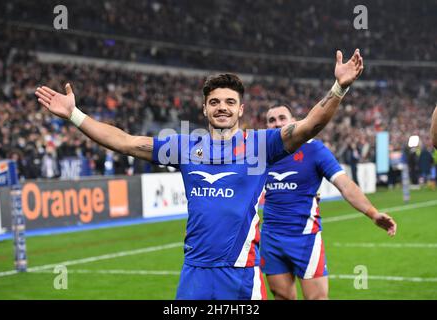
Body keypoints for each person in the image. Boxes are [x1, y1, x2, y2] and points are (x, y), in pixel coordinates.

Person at [35, 49, 364, 300]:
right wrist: (74, 115)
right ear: (204, 108)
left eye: (230, 102)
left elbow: (309, 125)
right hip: (194, 272)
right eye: (215, 101)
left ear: (241, 109)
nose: (222, 107)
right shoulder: (184, 147)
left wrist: (338, 88)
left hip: (240, 274)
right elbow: (125, 142)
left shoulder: (261, 145)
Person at [260, 105, 397, 300]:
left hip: (305, 238)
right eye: (271, 120)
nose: (277, 123)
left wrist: (373, 213)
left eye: (282, 118)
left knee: (317, 298)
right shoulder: (261, 154)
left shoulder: (314, 149)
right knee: (281, 296)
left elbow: (346, 185)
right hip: (271, 237)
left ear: (294, 121)